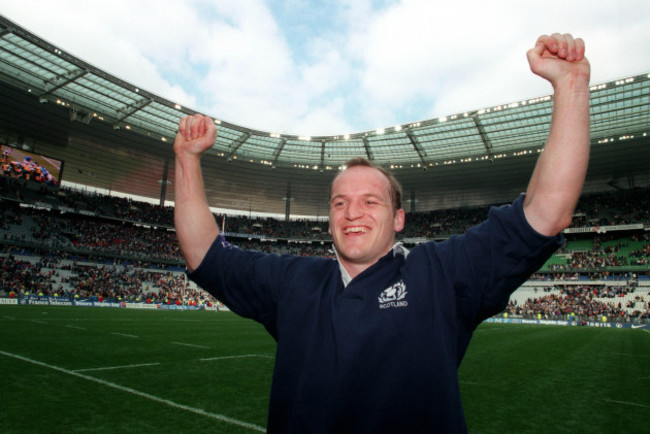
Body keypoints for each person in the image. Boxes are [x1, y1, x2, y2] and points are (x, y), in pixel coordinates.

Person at [173, 33, 590, 433]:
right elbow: (205, 254)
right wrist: (187, 158)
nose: (353, 211)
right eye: (340, 202)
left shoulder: (441, 274)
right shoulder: (293, 282)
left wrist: (571, 86)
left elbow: (546, 212)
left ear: (398, 219)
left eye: (371, 201)